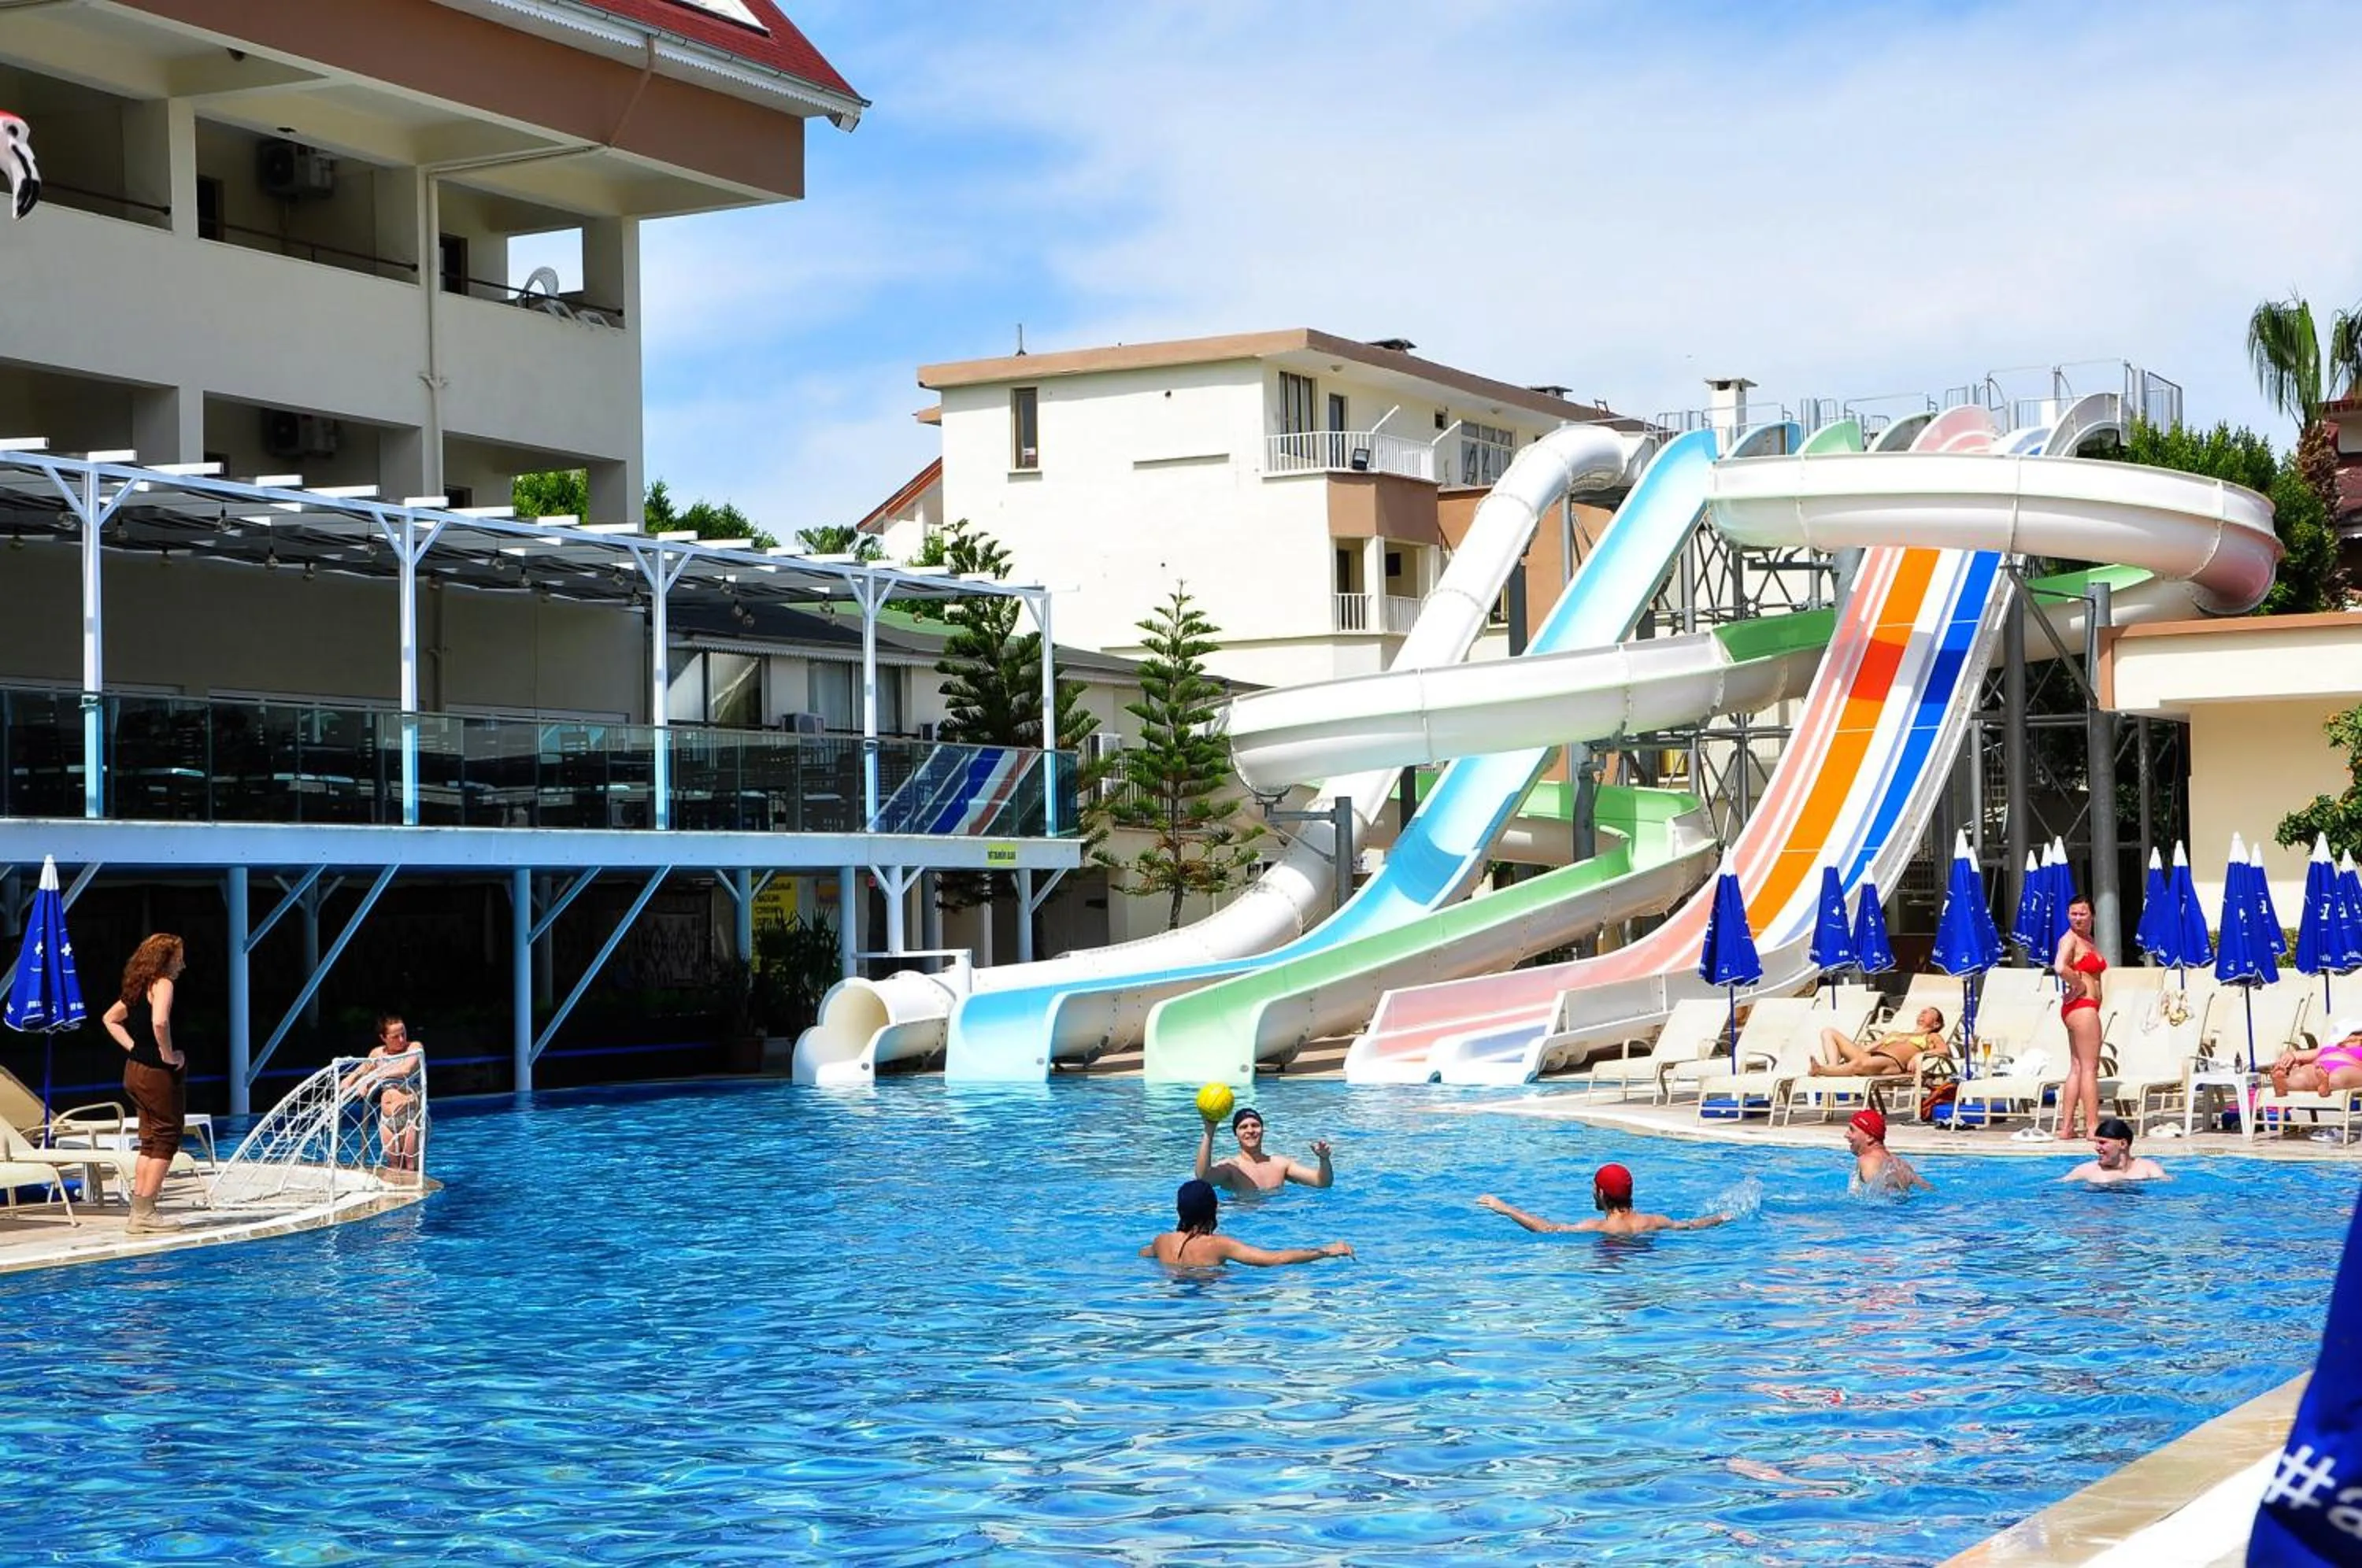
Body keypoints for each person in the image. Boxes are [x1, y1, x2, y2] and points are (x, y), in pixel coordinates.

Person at [99, 933, 187, 1235]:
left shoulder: (136, 987)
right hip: (155, 1073)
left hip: (134, 1069)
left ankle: (139, 1212)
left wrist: (135, 1048)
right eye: (178, 957)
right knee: (166, 1138)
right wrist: (167, 1055)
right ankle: (145, 1213)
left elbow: (110, 1019)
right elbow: (160, 1022)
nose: (182, 964)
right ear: (165, 959)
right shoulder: (162, 984)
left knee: (149, 1139)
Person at [1140, 1179, 1351, 1268]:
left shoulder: (1161, 1242)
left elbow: (1143, 1253)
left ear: (1179, 1210)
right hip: (1208, 1302)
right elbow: (1274, 1259)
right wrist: (1326, 1251)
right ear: (1214, 1209)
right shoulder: (1218, 1245)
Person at [1476, 1163, 1731, 1236]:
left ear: (1600, 1193)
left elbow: (1547, 1229)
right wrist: (1721, 1217)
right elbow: (1692, 1225)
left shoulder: (1600, 1227)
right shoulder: (1656, 1221)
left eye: (1593, 1187)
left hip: (1611, 1278)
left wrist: (1505, 1208)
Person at [340, 1012, 427, 1178]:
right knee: (393, 1166)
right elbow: (364, 1068)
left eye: (404, 1034)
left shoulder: (414, 1048)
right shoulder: (377, 1053)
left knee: (410, 1166)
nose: (401, 1040)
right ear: (383, 1037)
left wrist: (372, 1078)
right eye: (395, 1036)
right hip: (387, 1119)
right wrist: (352, 1079)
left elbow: (405, 1070)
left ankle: (413, 1200)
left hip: (411, 1117)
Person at [2050, 896, 2106, 1143]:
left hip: (2077, 1008)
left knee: (2076, 1067)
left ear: (2092, 916)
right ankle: (2093, 1126)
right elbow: (2060, 967)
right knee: (2090, 1069)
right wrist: (2078, 985)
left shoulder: (2088, 940)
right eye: (2073, 913)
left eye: (2082, 914)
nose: (2077, 918)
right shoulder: (2070, 939)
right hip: (2083, 1007)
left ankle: (2067, 1127)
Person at [1195, 1105, 1332, 1195]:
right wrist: (1209, 1130)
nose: (1250, 1130)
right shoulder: (1231, 1168)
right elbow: (1203, 1179)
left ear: (1262, 1130)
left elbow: (1322, 1183)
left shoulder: (1280, 1164)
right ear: (1235, 1133)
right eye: (1243, 1127)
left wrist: (1324, 1159)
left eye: (1255, 1125)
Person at [1808, 1007, 1948, 1078]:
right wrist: (1884, 1039)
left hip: (1892, 1063)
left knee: (1858, 1064)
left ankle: (1822, 1070)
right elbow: (1866, 1050)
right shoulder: (1896, 1034)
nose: (1922, 1013)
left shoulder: (1931, 1036)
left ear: (1936, 1024)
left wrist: (1919, 1056)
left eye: (1928, 1013)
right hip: (1872, 1057)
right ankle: (1833, 1068)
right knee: (1828, 1032)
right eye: (1922, 1012)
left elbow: (1944, 1051)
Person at [1846, 1108, 1932, 1195]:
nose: (1846, 1135)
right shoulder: (1901, 1164)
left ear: (1870, 1137)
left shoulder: (1868, 1160)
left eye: (1852, 1130)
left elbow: (1876, 1198)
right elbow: (1929, 1190)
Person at [2063, 1117, 2168, 1184]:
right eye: (2097, 1142)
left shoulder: (2148, 1168)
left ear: (2123, 1144)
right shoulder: (2087, 1171)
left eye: (2103, 1143)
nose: (2096, 1147)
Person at [2269, 1021, 2362, 1096]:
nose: (2358, 1038)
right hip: (2320, 1069)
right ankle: (2283, 1085)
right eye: (2355, 1035)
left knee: (2338, 1077)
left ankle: (2326, 1085)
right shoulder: (2327, 1049)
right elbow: (2298, 1055)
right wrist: (2291, 1056)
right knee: (2304, 1074)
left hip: (2348, 1067)